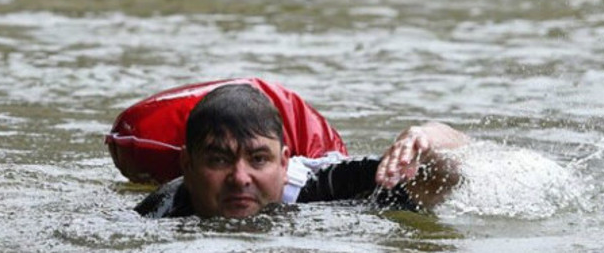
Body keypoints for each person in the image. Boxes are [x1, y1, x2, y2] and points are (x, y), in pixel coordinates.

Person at [134, 83, 470, 219]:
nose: (240, 178)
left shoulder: (333, 185)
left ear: (284, 162)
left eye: (258, 159)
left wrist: (424, 137)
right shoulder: (165, 207)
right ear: (187, 165)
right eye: (219, 160)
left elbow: (452, 174)